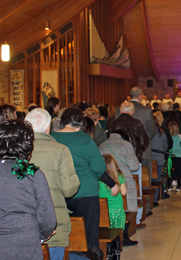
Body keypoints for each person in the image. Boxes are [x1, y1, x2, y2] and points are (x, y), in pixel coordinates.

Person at [0, 120, 57, 260]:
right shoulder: (30, 172)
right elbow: (48, 219)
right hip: (22, 246)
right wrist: (42, 234)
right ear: (27, 145)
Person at [51, 108, 114, 253]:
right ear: (80, 124)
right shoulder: (85, 139)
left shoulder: (52, 138)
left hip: (59, 191)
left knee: (64, 229)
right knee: (89, 232)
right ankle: (88, 255)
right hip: (85, 190)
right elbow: (99, 167)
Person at [25, 108, 81, 260]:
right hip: (52, 221)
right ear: (48, 128)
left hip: (24, 223)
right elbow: (69, 189)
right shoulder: (60, 150)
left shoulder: (18, 150)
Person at [98, 154, 138, 246]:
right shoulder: (119, 176)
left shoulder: (99, 178)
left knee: (105, 231)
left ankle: (107, 248)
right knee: (117, 232)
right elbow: (124, 192)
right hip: (117, 210)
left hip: (103, 211)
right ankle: (115, 249)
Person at [168, 121, 181, 192]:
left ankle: (169, 185)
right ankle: (179, 185)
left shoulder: (168, 136)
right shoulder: (179, 136)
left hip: (170, 155)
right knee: (178, 171)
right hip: (178, 155)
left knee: (169, 170)